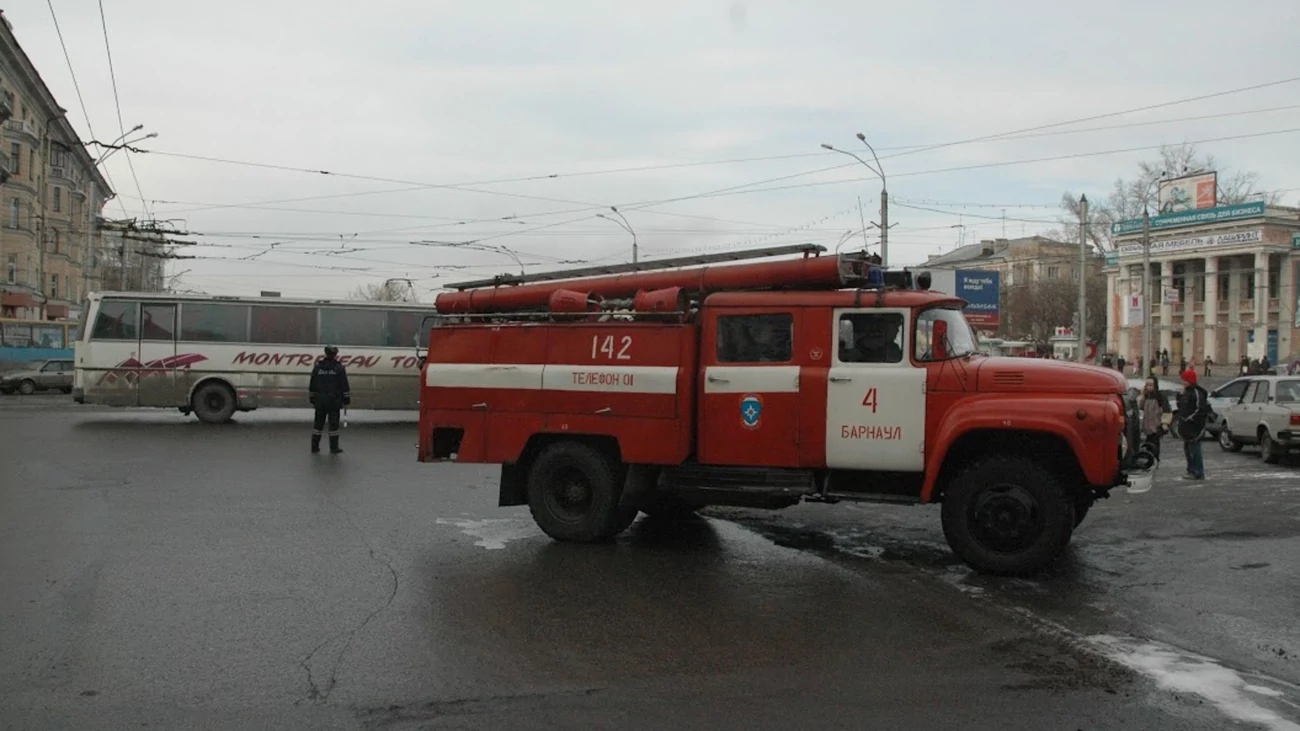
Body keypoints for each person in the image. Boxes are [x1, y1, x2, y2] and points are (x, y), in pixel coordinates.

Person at [308, 345, 351, 454]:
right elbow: (344, 385)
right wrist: (346, 399)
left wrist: (312, 398)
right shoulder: (339, 368)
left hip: (320, 401)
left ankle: (314, 446)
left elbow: (312, 384)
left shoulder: (318, 367)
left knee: (318, 425)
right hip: (334, 401)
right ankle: (334, 447)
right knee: (333, 426)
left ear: (326, 354)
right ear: (335, 355)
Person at [1174, 368, 1210, 481]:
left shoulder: (1197, 393)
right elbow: (1181, 408)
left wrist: (1190, 419)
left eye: (1184, 380)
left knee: (1195, 450)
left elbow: (1200, 409)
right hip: (1186, 427)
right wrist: (1179, 397)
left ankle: (1198, 472)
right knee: (1188, 450)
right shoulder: (1186, 392)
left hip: (1195, 427)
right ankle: (1191, 470)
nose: (1182, 382)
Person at [1139, 377, 1170, 462]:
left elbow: (1166, 410)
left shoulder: (1160, 397)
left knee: (1155, 442)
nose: (1149, 387)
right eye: (1147, 385)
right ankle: (1150, 458)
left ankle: (1155, 458)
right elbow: (1140, 407)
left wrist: (1165, 423)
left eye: (1151, 385)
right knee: (1148, 441)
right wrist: (1142, 395)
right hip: (1147, 424)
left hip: (1156, 424)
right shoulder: (1145, 396)